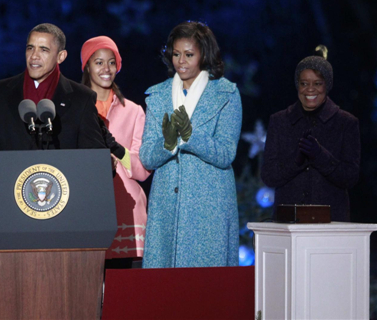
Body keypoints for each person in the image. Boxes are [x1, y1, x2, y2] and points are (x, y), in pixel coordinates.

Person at [139, 21, 242, 268]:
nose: (181, 61)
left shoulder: (226, 94)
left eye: (189, 55)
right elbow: (146, 157)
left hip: (210, 205)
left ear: (204, 55)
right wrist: (168, 143)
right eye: (176, 54)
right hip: (167, 204)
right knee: (165, 289)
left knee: (206, 288)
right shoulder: (158, 95)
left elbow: (226, 153)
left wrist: (191, 137)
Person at [0, 23, 106, 190]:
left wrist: (106, 163)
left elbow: (93, 155)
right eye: (30, 48)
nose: (34, 56)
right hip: (7, 191)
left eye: (44, 50)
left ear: (61, 56)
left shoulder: (81, 98)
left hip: (62, 197)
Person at [261, 45, 360, 221]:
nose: (310, 89)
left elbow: (350, 177)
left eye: (317, 83)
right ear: (297, 85)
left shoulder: (346, 123)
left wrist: (321, 156)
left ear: (327, 85)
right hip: (288, 224)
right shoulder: (280, 121)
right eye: (304, 83)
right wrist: (295, 161)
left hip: (332, 224)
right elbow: (269, 177)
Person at [80, 36, 151, 267]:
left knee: (121, 295)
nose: (106, 68)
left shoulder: (134, 111)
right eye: (98, 62)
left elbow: (142, 170)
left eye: (111, 62)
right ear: (87, 66)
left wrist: (118, 150)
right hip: (84, 209)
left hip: (125, 210)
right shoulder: (72, 110)